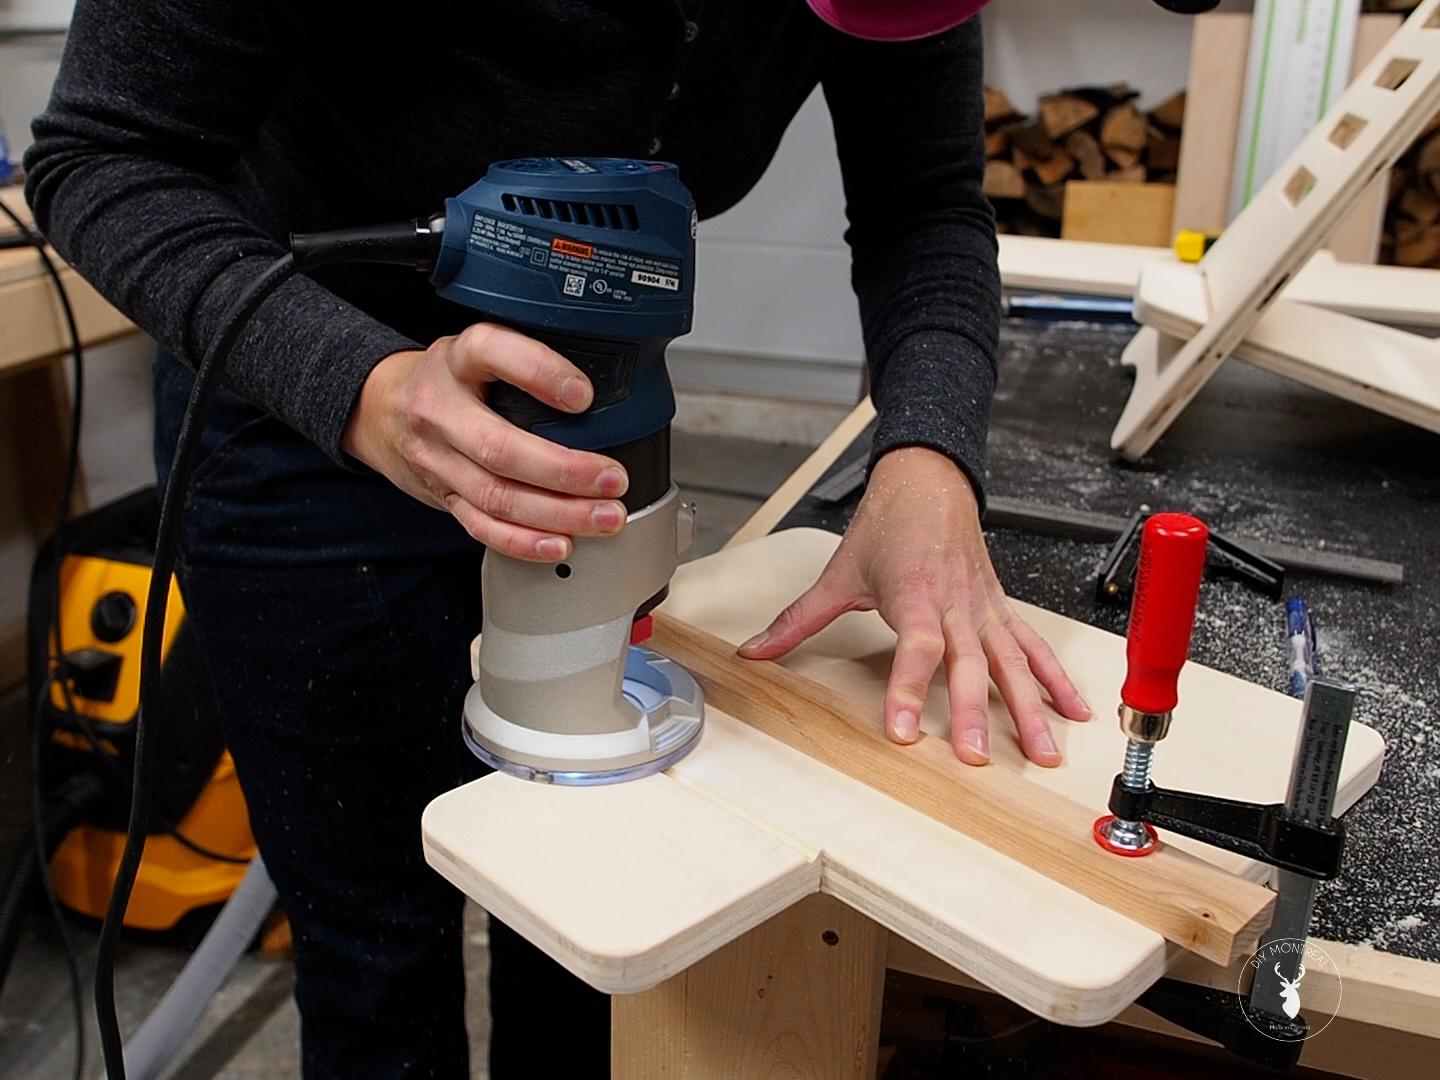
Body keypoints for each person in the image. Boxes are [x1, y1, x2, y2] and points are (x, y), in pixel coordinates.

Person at [25, 1, 1091, 1075]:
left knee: (591, 940)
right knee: (376, 956)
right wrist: (362, 387)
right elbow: (101, 156)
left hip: (591, 409)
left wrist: (928, 456)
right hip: (296, 400)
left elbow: (927, 201)